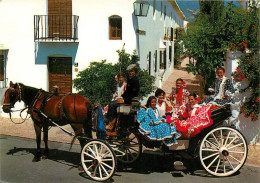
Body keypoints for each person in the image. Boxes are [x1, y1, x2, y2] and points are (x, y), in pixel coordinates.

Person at [106, 64, 140, 132]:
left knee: (112, 105)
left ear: (134, 72)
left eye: (132, 71)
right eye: (129, 71)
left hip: (129, 101)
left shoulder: (134, 80)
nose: (130, 73)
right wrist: (122, 97)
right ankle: (113, 124)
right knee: (112, 104)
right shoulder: (131, 79)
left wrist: (123, 99)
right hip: (128, 100)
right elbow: (127, 92)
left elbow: (132, 93)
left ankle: (111, 125)